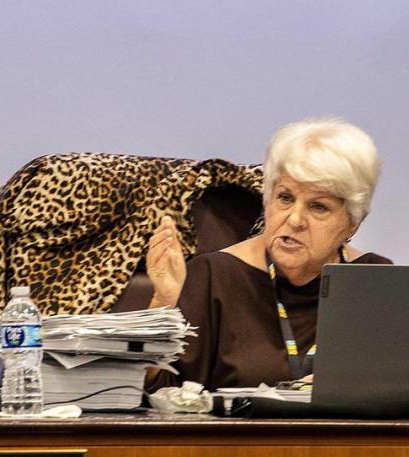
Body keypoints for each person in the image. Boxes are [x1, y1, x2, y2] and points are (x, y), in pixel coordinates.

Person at [145, 118, 391, 391]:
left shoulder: (374, 280)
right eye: (285, 198)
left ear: (352, 223)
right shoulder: (214, 277)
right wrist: (163, 305)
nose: (295, 219)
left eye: (318, 207)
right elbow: (158, 394)